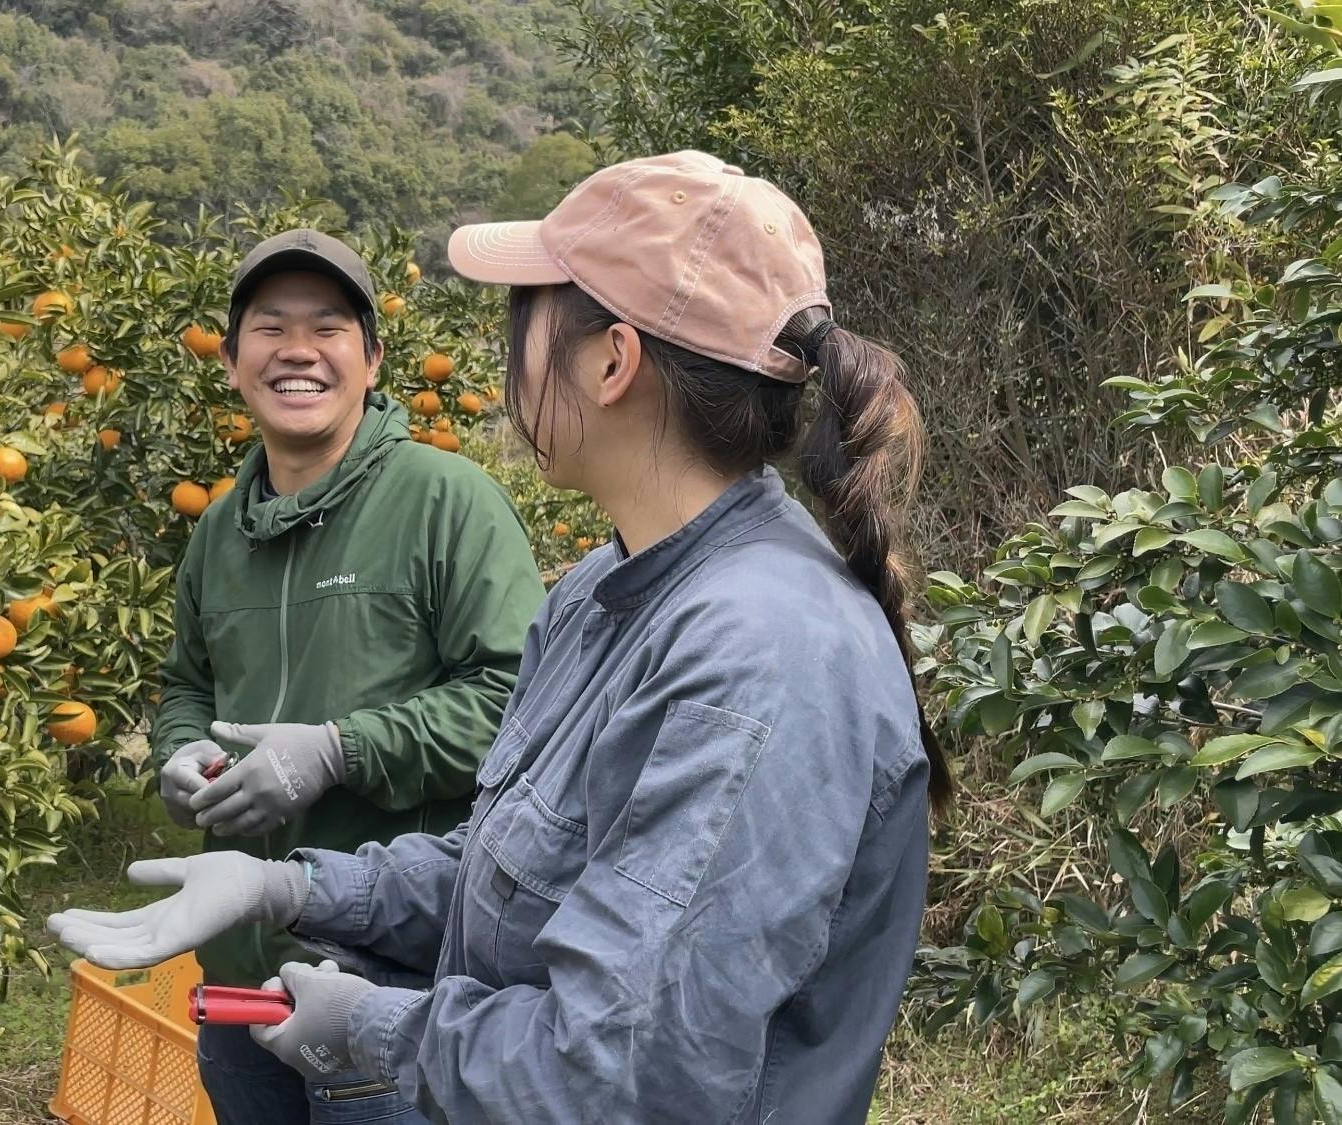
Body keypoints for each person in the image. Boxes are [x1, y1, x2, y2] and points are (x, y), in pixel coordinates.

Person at [53, 151, 951, 1123]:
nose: (505, 351)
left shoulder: (755, 655)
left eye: (524, 317)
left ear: (611, 362)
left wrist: (377, 1028)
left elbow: (628, 1070)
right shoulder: (603, 593)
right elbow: (505, 872)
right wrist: (289, 887)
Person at [144, 228, 545, 1123]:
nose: (297, 350)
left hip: (393, 984)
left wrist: (338, 750)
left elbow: (518, 703)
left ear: (372, 359)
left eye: (326, 327)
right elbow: (188, 685)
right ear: (231, 361)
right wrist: (179, 751)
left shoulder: (446, 500)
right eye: (269, 327)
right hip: (239, 978)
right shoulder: (217, 532)